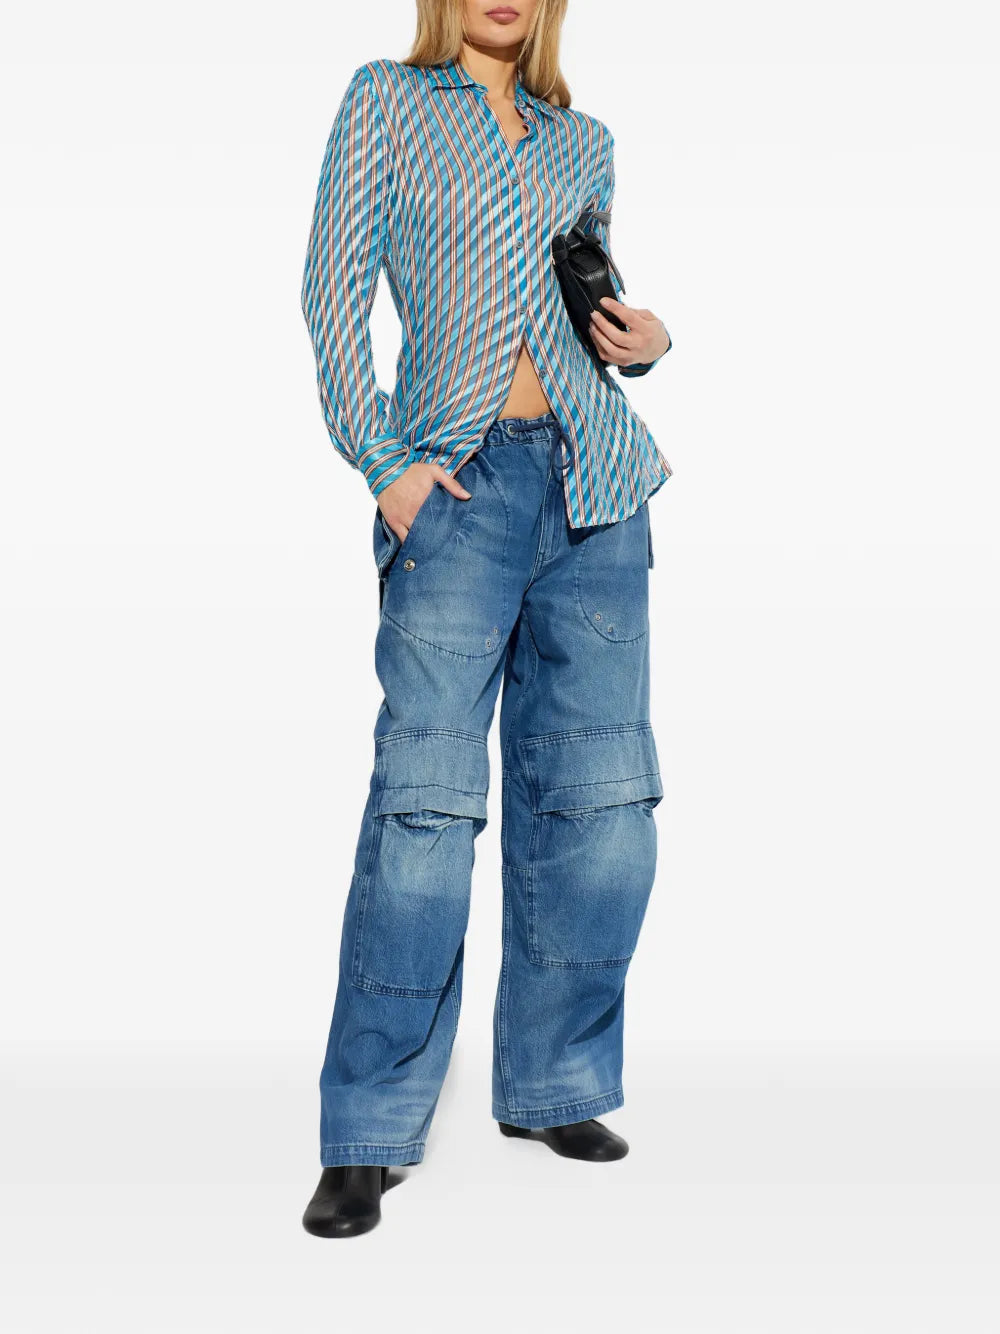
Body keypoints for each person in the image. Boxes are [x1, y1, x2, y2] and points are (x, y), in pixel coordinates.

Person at [298, 0, 673, 1238]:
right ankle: (367, 1129)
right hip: (454, 488)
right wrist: (384, 464)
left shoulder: (583, 140)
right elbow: (330, 293)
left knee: (602, 806)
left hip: (595, 485)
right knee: (425, 803)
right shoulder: (386, 101)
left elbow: (582, 315)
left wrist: (644, 341)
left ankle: (554, 1080)